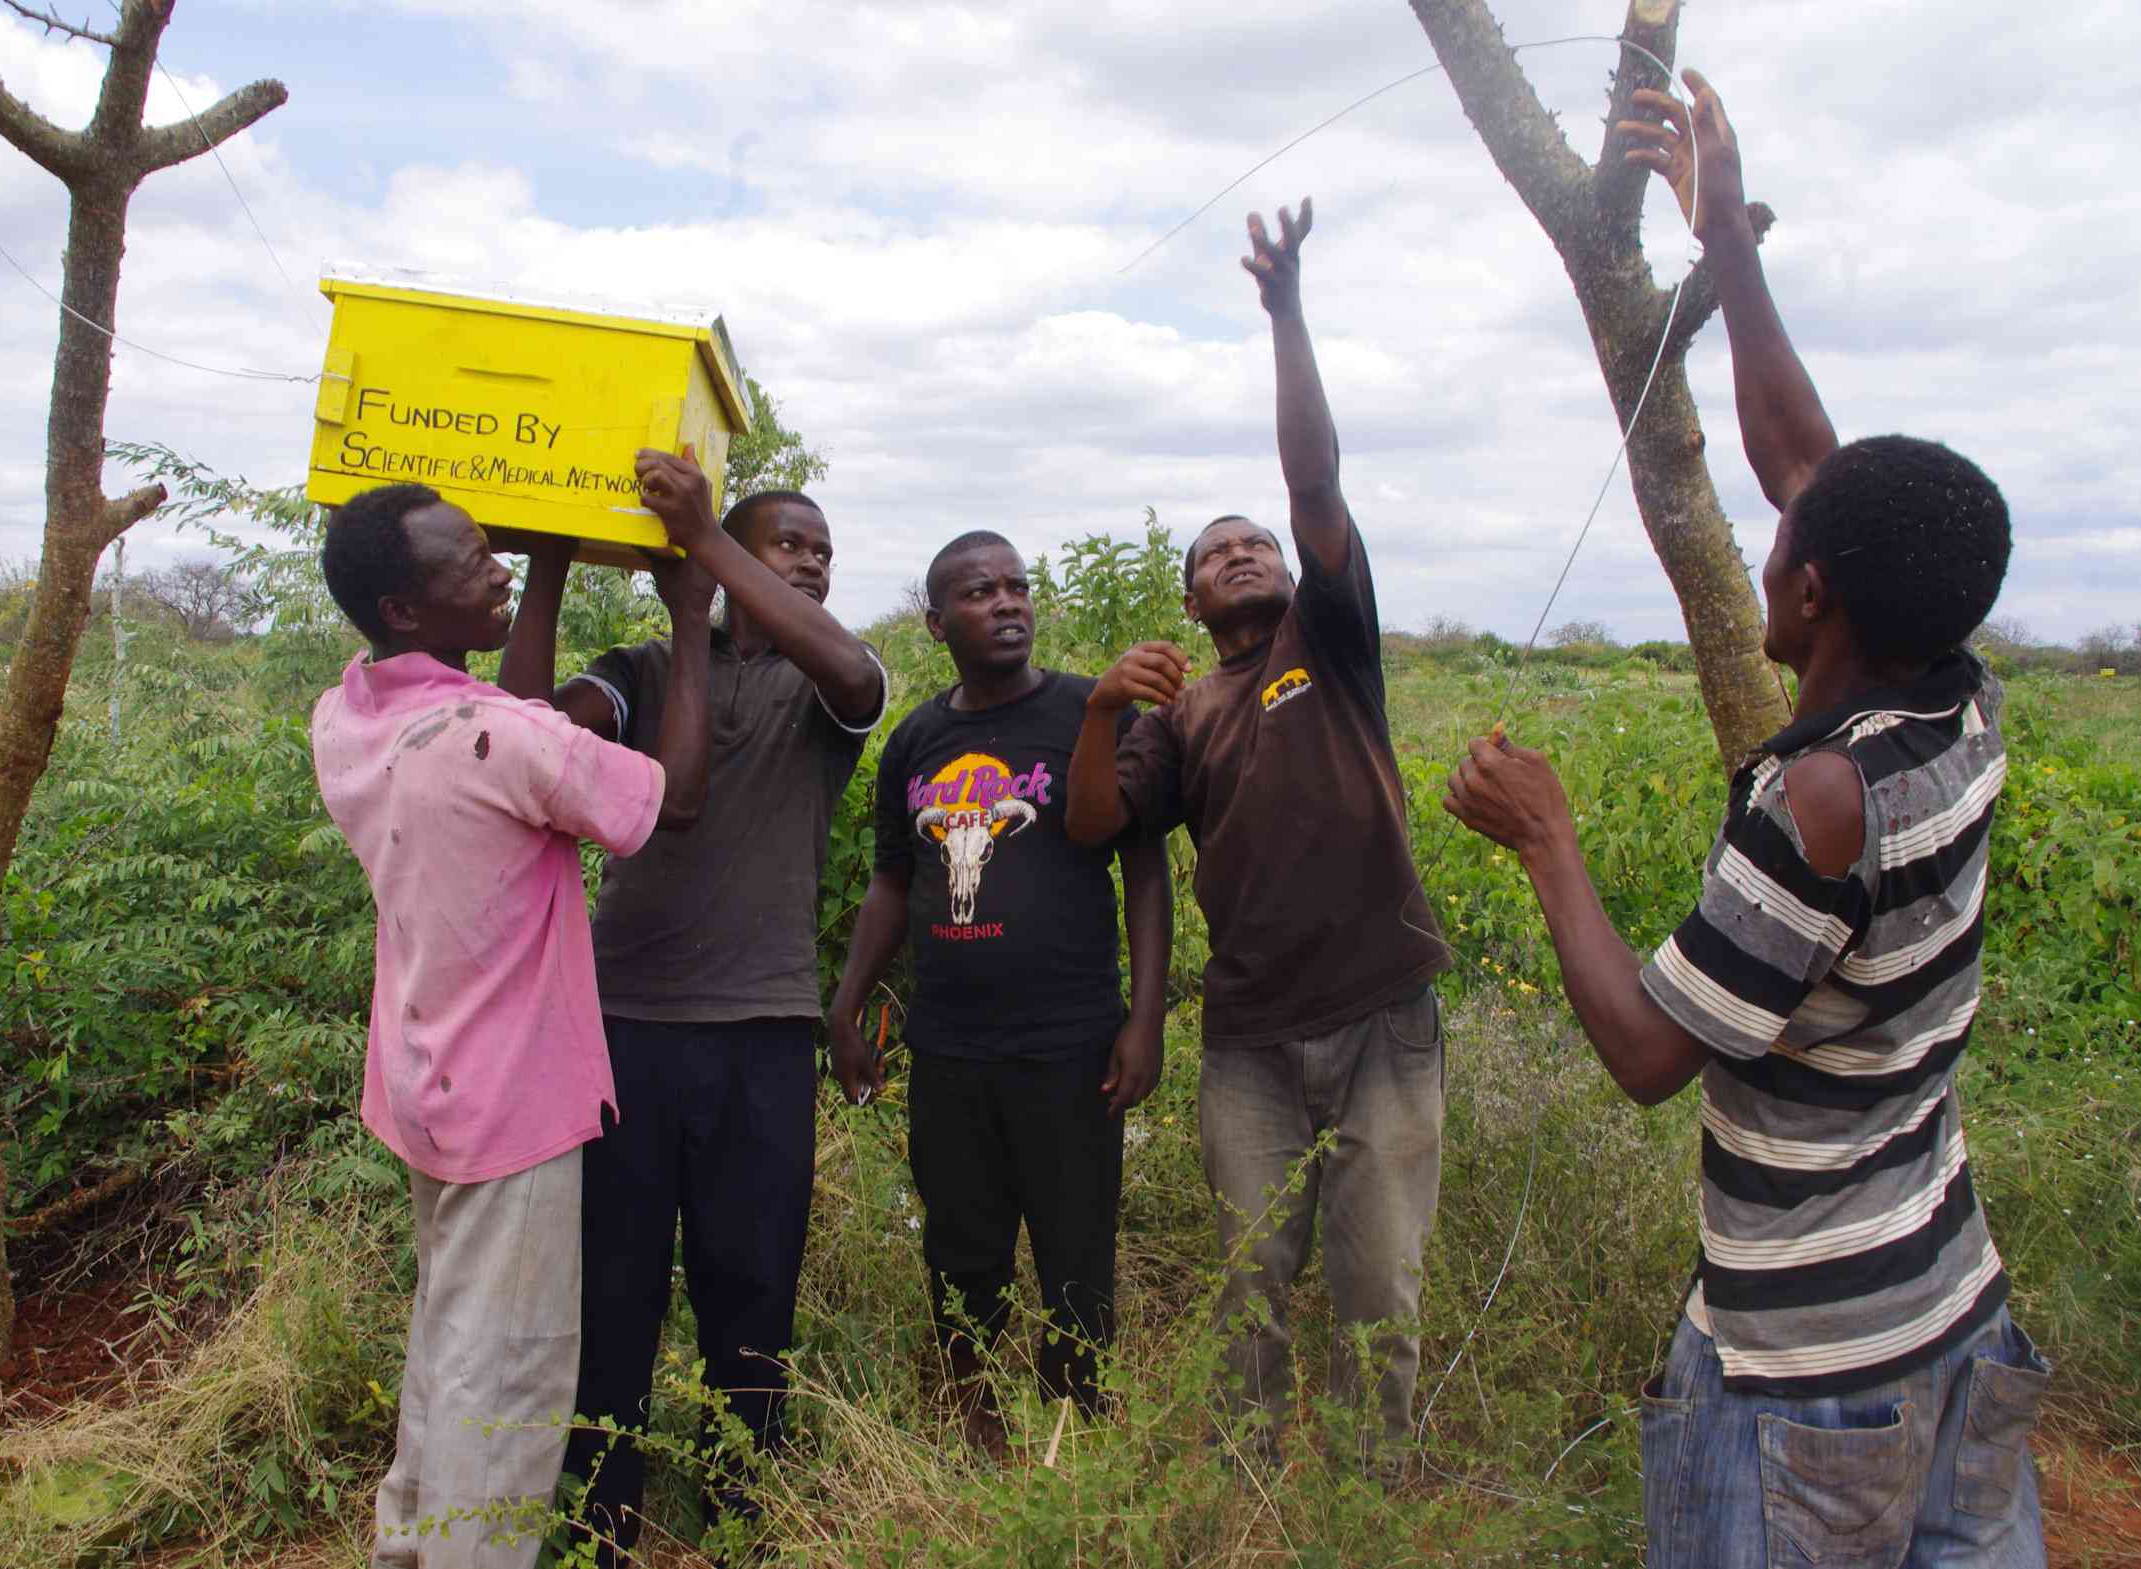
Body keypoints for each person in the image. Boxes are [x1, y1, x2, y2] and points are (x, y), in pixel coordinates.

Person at [1441, 72, 2044, 1569]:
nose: (1774, 522)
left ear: (1813, 588)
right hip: (1957, 1316)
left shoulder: (1821, 797)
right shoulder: (1957, 705)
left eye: (1789, 537)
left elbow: (1651, 1056)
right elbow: (1805, 464)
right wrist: (1728, 248)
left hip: (1805, 1380)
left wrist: (1546, 841)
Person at [1064, 200, 1452, 1461]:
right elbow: (1098, 823)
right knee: (1250, 1281)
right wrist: (1108, 706)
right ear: (1186, 594)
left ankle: (1369, 1496)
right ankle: (1246, 1491)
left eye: (1255, 543)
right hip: (1245, 1039)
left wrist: (1285, 312)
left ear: (1294, 570)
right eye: (1215, 552)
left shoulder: (1326, 644)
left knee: (1376, 1286)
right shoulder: (1185, 712)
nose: (1239, 554)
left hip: (1382, 1013)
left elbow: (1314, 481)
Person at [311, 450, 716, 1569]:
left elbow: (503, 713)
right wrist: (688, 617)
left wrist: (539, 566)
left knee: (450, 1340)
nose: (491, 570)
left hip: (424, 1080)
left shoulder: (347, 716)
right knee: (513, 1375)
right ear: (403, 605)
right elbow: (671, 800)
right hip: (513, 1103)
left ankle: (410, 1546)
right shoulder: (502, 740)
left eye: (495, 547)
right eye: (470, 563)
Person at [529, 486, 886, 1560]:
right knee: (614, 1293)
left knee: (751, 1290)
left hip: (764, 1032)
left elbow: (861, 678)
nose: (814, 563)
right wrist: (681, 610)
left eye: (825, 550)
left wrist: (706, 543)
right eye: (794, 542)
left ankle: (741, 1521)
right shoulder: (639, 668)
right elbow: (542, 731)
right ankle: (601, 1523)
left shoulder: (820, 685)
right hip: (625, 1024)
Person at [825, 530, 1171, 1454]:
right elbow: (893, 881)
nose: (1008, 602)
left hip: (1070, 1040)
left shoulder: (1086, 711)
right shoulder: (915, 743)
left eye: (1018, 586)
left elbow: (1144, 870)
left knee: (1076, 1246)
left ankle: (1076, 1416)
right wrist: (847, 1005)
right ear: (937, 623)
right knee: (962, 1247)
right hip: (949, 1046)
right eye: (980, 592)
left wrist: (1145, 1016)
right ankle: (974, 1414)